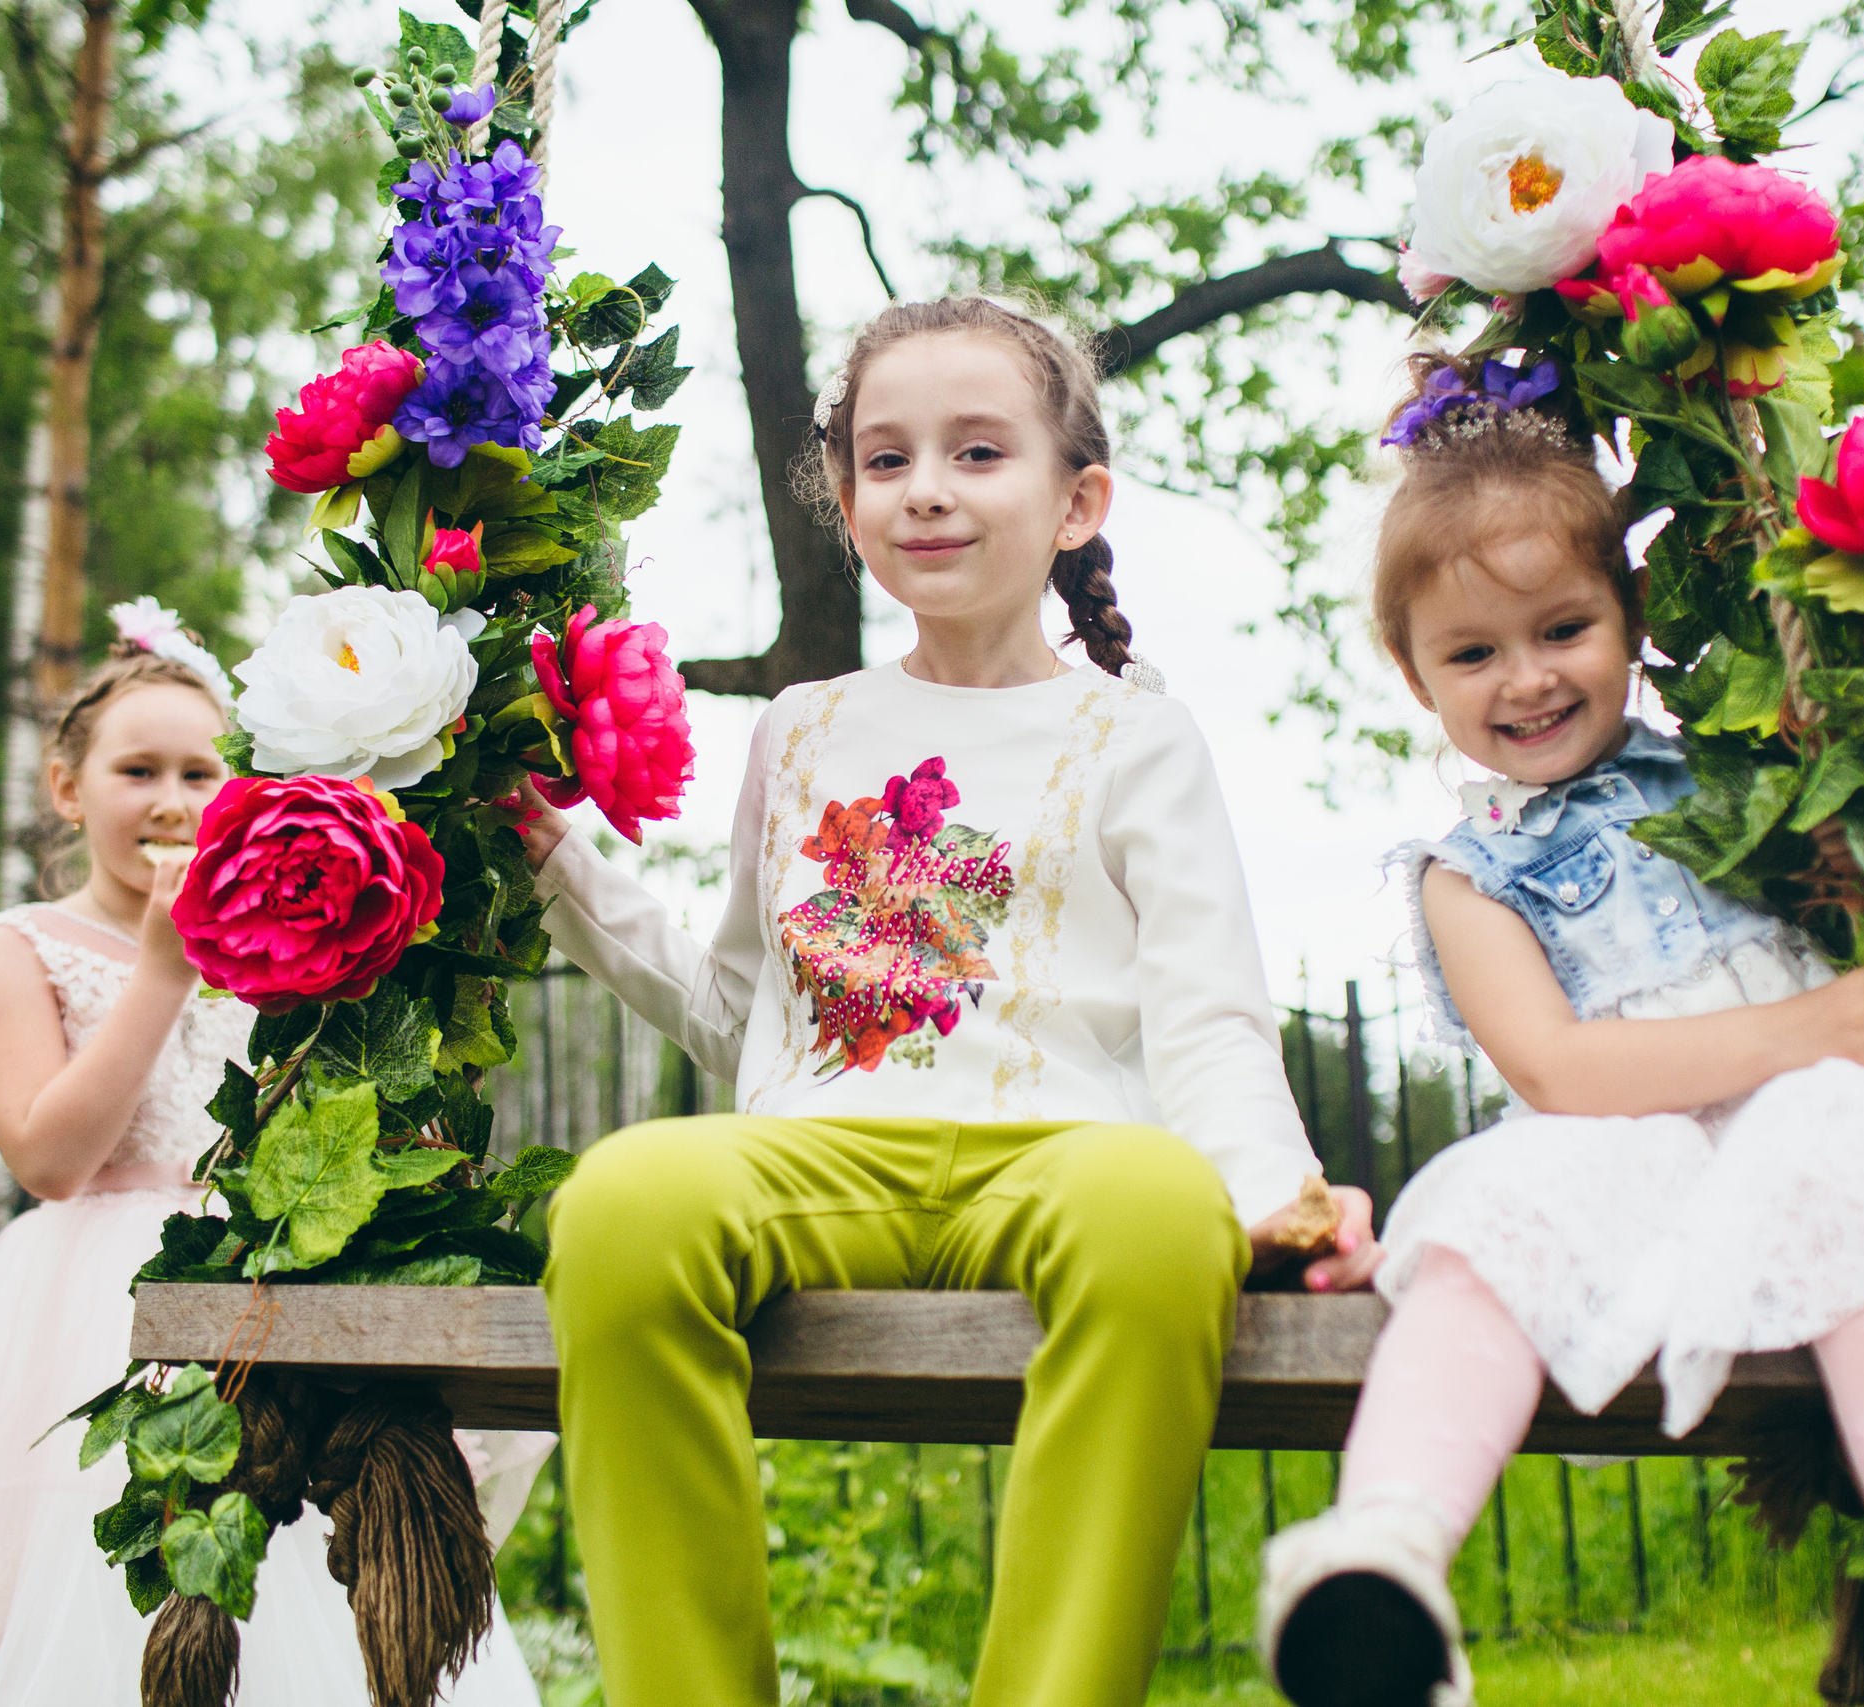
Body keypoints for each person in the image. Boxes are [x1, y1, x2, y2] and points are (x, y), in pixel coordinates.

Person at [515, 296, 1377, 1707]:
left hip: (1063, 1150)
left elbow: (1208, 1015)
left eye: (979, 453)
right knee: (623, 1198)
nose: (926, 488)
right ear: (847, 499)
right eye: (886, 456)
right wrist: (568, 862)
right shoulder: (802, 728)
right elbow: (745, 1010)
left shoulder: (1134, 736)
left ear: (1076, 498)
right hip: (819, 1152)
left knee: (1157, 1210)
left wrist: (1278, 1192)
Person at [1256, 358, 1864, 1707]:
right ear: (1413, 673)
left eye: (1562, 627)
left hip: (1810, 1134)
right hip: (1619, 1150)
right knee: (1485, 1212)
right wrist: (1806, 1021)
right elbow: (1559, 1071)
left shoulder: (1751, 755)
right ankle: (1384, 1554)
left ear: (1631, 614)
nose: (1525, 678)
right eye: (1472, 652)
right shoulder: (1469, 875)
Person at [0, 615, 543, 1706]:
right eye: (137, 771)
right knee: (108, 1585)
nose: (169, 799)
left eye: (199, 772)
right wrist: (163, 972)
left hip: (262, 1304)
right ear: (69, 791)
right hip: (91, 1310)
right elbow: (47, 1158)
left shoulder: (274, 946)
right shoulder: (21, 947)